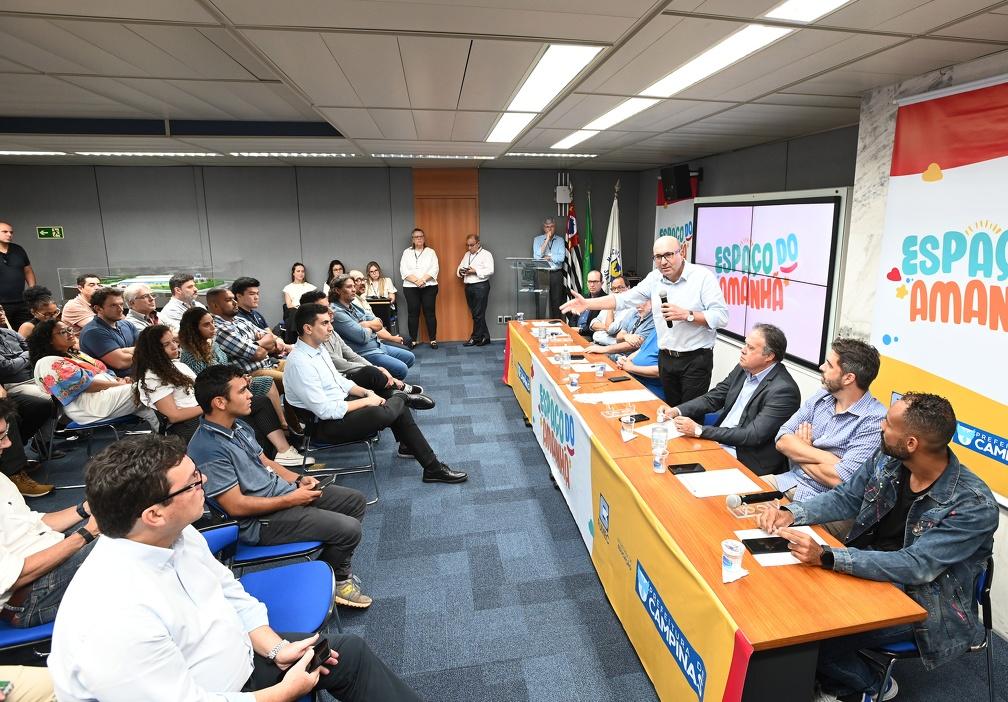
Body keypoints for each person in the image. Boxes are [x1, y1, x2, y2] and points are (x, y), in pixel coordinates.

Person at [48, 435, 421, 702]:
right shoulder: (113, 614)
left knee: (348, 655)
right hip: (215, 693)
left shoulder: (174, 535)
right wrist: (277, 695)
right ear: (153, 513)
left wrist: (276, 650)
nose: (205, 482)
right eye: (193, 482)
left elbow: (230, 593)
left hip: (237, 663)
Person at [757, 393, 998, 702]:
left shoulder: (972, 504)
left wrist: (828, 556)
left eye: (888, 423)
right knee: (790, 608)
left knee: (812, 639)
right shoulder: (889, 458)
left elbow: (915, 565)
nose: (881, 425)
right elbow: (846, 497)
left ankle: (870, 684)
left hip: (927, 604)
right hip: (872, 567)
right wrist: (793, 513)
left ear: (912, 443)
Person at [188, 366, 369, 606]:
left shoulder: (237, 426)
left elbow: (265, 461)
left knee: (354, 501)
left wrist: (296, 479)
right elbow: (237, 506)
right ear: (220, 402)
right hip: (257, 522)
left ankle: (329, 572)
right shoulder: (208, 448)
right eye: (242, 391)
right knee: (349, 529)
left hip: (282, 497)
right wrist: (293, 499)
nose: (250, 395)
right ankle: (339, 580)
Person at [285, 303, 466, 484]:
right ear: (308, 328)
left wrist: (367, 393)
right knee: (385, 410)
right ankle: (402, 397)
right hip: (323, 425)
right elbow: (325, 411)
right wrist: (367, 402)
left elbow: (340, 382)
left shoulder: (318, 348)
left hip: (340, 406)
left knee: (391, 406)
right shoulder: (300, 363)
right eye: (324, 323)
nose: (331, 327)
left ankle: (431, 467)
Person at [561, 235, 728, 406]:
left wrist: (687, 315)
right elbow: (623, 299)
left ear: (682, 252)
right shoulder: (654, 278)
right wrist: (587, 303)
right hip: (666, 358)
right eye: (658, 257)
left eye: (668, 255)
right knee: (670, 411)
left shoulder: (702, 277)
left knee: (690, 415)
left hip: (694, 359)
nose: (663, 262)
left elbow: (721, 317)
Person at [132, 326, 308, 469]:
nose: (174, 346)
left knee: (259, 402)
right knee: (246, 423)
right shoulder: (152, 377)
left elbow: (201, 390)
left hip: (204, 410)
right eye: (166, 344)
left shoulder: (177, 366)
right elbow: (173, 416)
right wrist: (210, 406)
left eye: (174, 341)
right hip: (185, 425)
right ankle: (260, 462)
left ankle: (281, 452)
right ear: (153, 350)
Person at [0, 397, 98, 627]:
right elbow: (12, 576)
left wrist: (85, 510)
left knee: (124, 514)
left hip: (40, 562)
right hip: (27, 598)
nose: (8, 444)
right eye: (1, 437)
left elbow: (31, 524)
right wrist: (86, 534)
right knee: (129, 537)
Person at [667, 324, 801, 475]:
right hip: (719, 442)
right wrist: (677, 410)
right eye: (745, 344)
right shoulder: (744, 369)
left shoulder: (783, 391)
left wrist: (699, 430)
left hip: (745, 457)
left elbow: (752, 435)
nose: (743, 350)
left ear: (769, 356)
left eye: (751, 348)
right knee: (668, 455)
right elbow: (713, 398)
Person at [178, 306, 291, 434]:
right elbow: (207, 381)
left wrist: (240, 378)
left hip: (228, 382)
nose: (212, 327)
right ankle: (283, 425)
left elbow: (225, 365)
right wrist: (237, 382)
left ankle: (284, 423)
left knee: (268, 381)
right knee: (267, 383)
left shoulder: (211, 343)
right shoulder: (190, 354)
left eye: (212, 322)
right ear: (194, 329)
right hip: (216, 392)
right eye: (206, 325)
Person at [300, 290, 428, 403]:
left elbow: (350, 352)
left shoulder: (331, 328)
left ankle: (398, 394)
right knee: (374, 373)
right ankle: (399, 391)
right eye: (323, 308)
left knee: (395, 365)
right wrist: (378, 369)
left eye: (328, 306)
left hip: (370, 349)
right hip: (343, 376)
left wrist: (377, 368)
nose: (330, 311)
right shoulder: (314, 340)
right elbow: (344, 360)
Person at [28, 319, 157, 430]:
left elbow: (103, 372)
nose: (69, 333)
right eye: (63, 332)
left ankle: (167, 434)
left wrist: (122, 380)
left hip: (103, 396)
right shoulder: (48, 362)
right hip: (89, 406)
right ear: (49, 339)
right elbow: (86, 385)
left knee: (151, 405)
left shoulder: (75, 353)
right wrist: (118, 384)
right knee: (149, 387)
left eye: (69, 329)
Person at [329, 274, 415, 381]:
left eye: (353, 286)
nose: (353, 289)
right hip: (365, 352)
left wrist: (365, 324)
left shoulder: (353, 306)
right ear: (337, 290)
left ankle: (383, 379)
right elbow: (362, 336)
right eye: (349, 287)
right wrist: (371, 325)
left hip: (378, 345)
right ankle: (381, 383)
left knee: (410, 357)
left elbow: (379, 323)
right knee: (401, 369)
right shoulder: (336, 312)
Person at [207, 288, 287, 391]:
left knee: (306, 368)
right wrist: (263, 343)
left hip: (270, 363)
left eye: (234, 299)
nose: (235, 303)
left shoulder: (239, 320)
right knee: (295, 380)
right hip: (252, 374)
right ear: (215, 306)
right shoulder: (218, 328)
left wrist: (257, 344)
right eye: (228, 300)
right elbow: (258, 354)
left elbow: (271, 337)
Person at [78, 287, 137, 378]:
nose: (120, 309)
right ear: (98, 309)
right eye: (113, 305)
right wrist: (144, 352)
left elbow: (147, 347)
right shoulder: (93, 332)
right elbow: (121, 362)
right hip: (116, 384)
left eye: (121, 304)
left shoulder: (127, 325)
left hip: (139, 376)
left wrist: (125, 351)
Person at [399, 227, 439, 349]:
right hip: (411, 287)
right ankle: (413, 340)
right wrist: (416, 281)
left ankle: (433, 339)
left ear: (424, 238)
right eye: (416, 237)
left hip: (429, 286)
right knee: (413, 313)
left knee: (430, 313)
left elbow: (435, 269)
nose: (419, 239)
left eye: (421, 236)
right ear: (412, 239)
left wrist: (423, 280)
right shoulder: (406, 252)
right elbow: (403, 270)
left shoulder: (431, 252)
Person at [584, 299, 655, 358]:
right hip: (617, 353)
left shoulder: (654, 320)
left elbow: (635, 345)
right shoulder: (634, 312)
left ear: (652, 301)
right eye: (636, 302)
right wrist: (626, 336)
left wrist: (603, 349)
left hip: (632, 358)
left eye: (642, 301)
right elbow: (618, 338)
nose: (638, 305)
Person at [457, 233, 494, 346]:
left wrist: (475, 271)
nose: (469, 248)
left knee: (478, 314)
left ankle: (475, 338)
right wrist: (460, 271)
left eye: (471, 245)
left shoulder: (486, 254)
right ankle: (485, 337)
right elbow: (459, 267)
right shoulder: (467, 254)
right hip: (469, 286)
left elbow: (490, 270)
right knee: (477, 314)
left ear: (478, 244)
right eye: (467, 245)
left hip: (481, 286)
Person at [0, 222, 36, 329]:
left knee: (25, 333)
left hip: (21, 302)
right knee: (5, 337)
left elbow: (28, 271)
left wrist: (32, 291)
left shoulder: (18, 249)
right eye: (5, 232)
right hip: (1, 304)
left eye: (11, 232)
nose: (9, 235)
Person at [532, 217, 566, 319]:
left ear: (554, 227)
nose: (549, 229)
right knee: (540, 301)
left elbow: (561, 258)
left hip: (556, 273)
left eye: (551, 227)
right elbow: (537, 257)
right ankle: (539, 324)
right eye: (547, 227)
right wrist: (546, 239)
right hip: (541, 273)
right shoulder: (537, 240)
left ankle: (557, 325)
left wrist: (549, 257)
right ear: (544, 228)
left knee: (556, 301)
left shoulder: (560, 240)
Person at [613, 330, 662, 398]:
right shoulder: (656, 331)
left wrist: (630, 367)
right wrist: (624, 361)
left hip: (651, 390)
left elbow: (660, 371)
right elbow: (641, 350)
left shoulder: (671, 340)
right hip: (633, 379)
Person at [590, 276, 630, 346]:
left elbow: (611, 330)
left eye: (620, 287)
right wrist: (605, 327)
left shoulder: (629, 309)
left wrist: (611, 308)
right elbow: (593, 323)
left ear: (628, 288)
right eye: (613, 289)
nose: (616, 291)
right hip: (597, 344)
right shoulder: (609, 305)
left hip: (612, 349)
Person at [363, 261, 397, 332]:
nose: (374, 273)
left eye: (376, 270)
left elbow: (392, 295)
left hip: (385, 308)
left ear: (379, 270)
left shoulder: (387, 280)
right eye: (371, 271)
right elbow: (363, 298)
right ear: (369, 273)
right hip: (371, 310)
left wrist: (390, 299)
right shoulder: (366, 283)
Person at [574, 270, 606, 337]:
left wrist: (580, 330)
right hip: (575, 333)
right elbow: (573, 319)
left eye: (595, 282)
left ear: (602, 283)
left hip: (589, 336)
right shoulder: (583, 298)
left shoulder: (606, 300)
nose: (592, 285)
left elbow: (599, 327)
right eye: (590, 282)